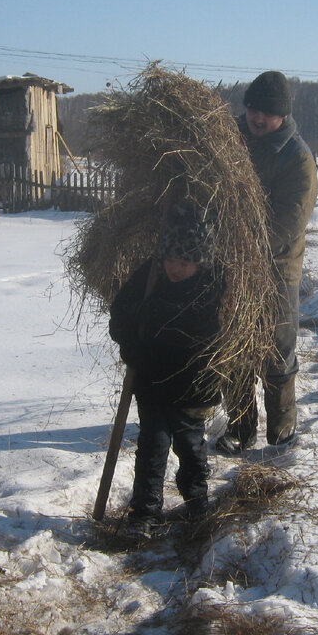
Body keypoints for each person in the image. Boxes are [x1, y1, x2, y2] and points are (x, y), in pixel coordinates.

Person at [216, 70, 318, 453]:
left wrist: (245, 251)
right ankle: (240, 430)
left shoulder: (297, 158)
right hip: (230, 263)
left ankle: (281, 429)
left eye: (267, 112)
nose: (257, 117)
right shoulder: (230, 139)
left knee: (277, 348)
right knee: (235, 347)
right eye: (252, 108)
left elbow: (288, 222)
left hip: (276, 267)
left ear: (283, 115)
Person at [109, 201, 225, 533]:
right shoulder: (150, 275)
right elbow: (120, 314)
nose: (174, 268)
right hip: (151, 381)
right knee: (152, 445)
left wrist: (157, 314)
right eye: (170, 259)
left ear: (199, 261)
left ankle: (196, 503)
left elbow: (200, 329)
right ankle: (145, 512)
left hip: (192, 383)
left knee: (190, 446)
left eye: (184, 262)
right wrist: (130, 341)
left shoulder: (212, 284)